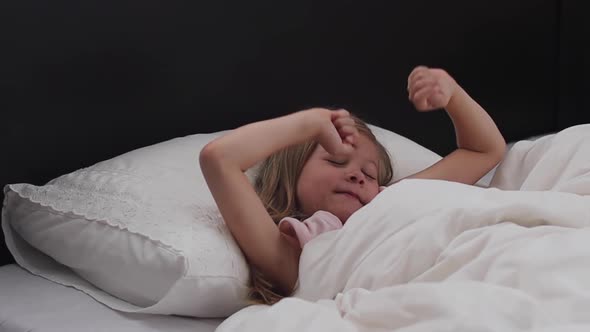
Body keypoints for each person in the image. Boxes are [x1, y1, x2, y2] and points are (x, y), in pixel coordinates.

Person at [199, 66, 507, 304]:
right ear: (289, 176)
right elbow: (219, 159)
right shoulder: (295, 253)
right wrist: (311, 123)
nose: (359, 176)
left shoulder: (391, 198)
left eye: (370, 174)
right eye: (335, 161)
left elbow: (485, 150)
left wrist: (452, 94)